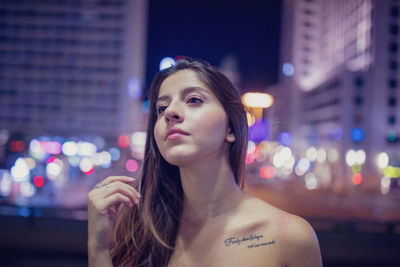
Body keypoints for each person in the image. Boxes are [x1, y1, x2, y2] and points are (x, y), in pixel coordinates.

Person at [88, 57, 323, 267]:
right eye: (161, 107)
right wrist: (98, 251)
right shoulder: (140, 232)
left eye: (193, 99)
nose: (170, 112)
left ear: (230, 128)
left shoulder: (289, 237)